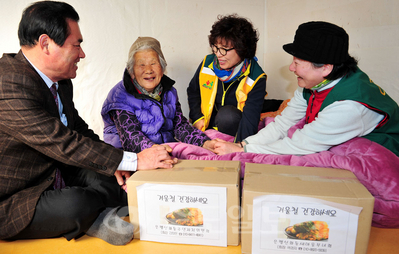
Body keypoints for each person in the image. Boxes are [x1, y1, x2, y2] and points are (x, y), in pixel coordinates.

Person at [0, 1, 176, 246]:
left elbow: (78, 130)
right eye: (77, 44)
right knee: (76, 203)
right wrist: (135, 158)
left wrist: (117, 162)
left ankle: (96, 215)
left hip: (57, 172)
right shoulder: (7, 83)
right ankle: (93, 215)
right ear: (45, 43)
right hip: (16, 198)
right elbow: (61, 141)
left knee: (118, 181)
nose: (82, 54)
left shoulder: (60, 81)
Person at [213, 21, 399, 157]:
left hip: (380, 150)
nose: (291, 68)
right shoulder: (314, 83)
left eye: (297, 63)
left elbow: (300, 145)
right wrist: (243, 144)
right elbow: (283, 124)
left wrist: (244, 151)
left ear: (326, 68)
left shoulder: (349, 107)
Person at [102, 37, 214, 153]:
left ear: (162, 67)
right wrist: (155, 149)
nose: (148, 70)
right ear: (131, 71)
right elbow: (130, 137)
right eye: (142, 65)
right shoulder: (120, 96)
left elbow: (180, 126)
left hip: (163, 151)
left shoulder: (170, 92)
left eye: (153, 63)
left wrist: (203, 142)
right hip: (128, 159)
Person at [187, 14, 267, 142]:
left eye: (224, 49)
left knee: (227, 115)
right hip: (208, 125)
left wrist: (240, 146)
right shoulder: (207, 63)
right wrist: (197, 118)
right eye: (216, 47)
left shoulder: (256, 77)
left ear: (242, 49)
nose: (218, 54)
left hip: (234, 127)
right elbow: (193, 90)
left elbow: (250, 118)